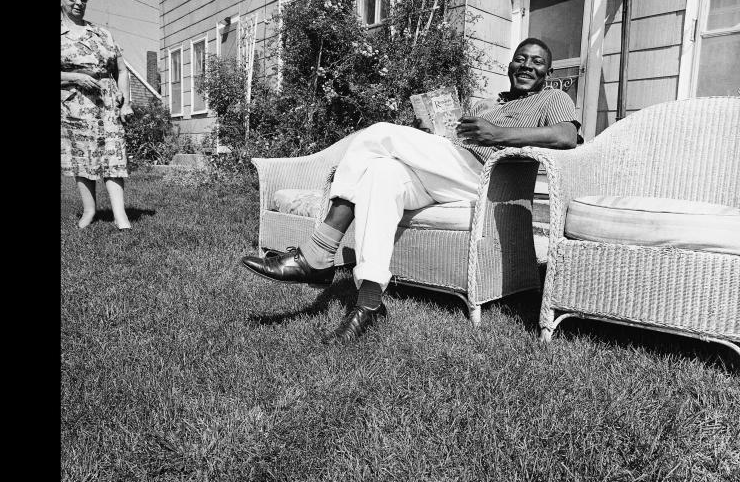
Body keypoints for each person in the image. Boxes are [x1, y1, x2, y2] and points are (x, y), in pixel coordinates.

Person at [241, 38, 582, 343]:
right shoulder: (485, 106)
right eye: (521, 58)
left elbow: (566, 137)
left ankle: (318, 252)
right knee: (381, 172)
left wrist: (497, 135)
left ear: (547, 72)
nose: (527, 65)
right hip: (449, 171)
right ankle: (369, 301)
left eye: (536, 61)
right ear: (510, 65)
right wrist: (431, 132)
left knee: (377, 134)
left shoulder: (553, 98)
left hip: (488, 176)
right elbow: (455, 140)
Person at [61, 0, 133, 230]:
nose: (79, 2)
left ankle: (120, 215)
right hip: (74, 105)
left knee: (114, 155)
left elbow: (122, 70)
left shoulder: (102, 33)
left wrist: (126, 102)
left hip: (108, 104)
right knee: (82, 158)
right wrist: (75, 77)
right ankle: (89, 211)